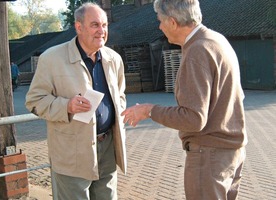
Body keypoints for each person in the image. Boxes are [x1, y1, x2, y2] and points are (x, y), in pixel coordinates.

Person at [121, 0, 247, 199]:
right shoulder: (216, 39)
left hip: (210, 156)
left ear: (172, 22)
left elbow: (193, 119)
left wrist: (149, 110)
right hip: (230, 153)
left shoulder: (197, 50)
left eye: (160, 21)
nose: (159, 27)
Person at [25, 2, 127, 200]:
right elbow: (34, 101)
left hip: (107, 147)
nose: (102, 31)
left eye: (105, 25)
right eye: (95, 25)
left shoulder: (114, 59)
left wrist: (118, 111)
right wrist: (67, 106)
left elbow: (121, 95)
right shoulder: (52, 58)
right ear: (78, 27)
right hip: (71, 150)